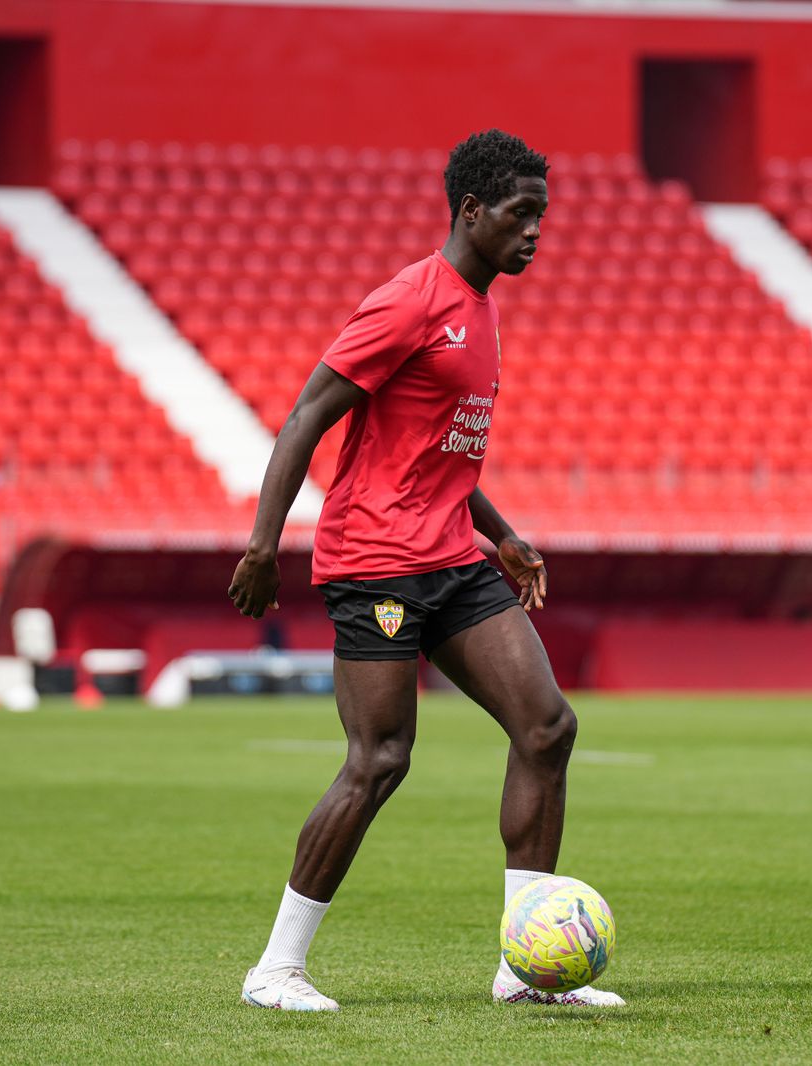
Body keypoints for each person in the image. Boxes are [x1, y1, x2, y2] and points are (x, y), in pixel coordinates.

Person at [228, 129, 623, 1011]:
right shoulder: (409, 300)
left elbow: (441, 452)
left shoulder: (482, 308)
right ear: (472, 211)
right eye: (522, 216)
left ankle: (525, 971)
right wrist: (264, 545)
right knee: (380, 759)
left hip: (453, 555)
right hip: (376, 563)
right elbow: (305, 418)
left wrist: (504, 534)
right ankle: (276, 969)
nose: (535, 233)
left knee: (547, 728)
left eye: (543, 218)